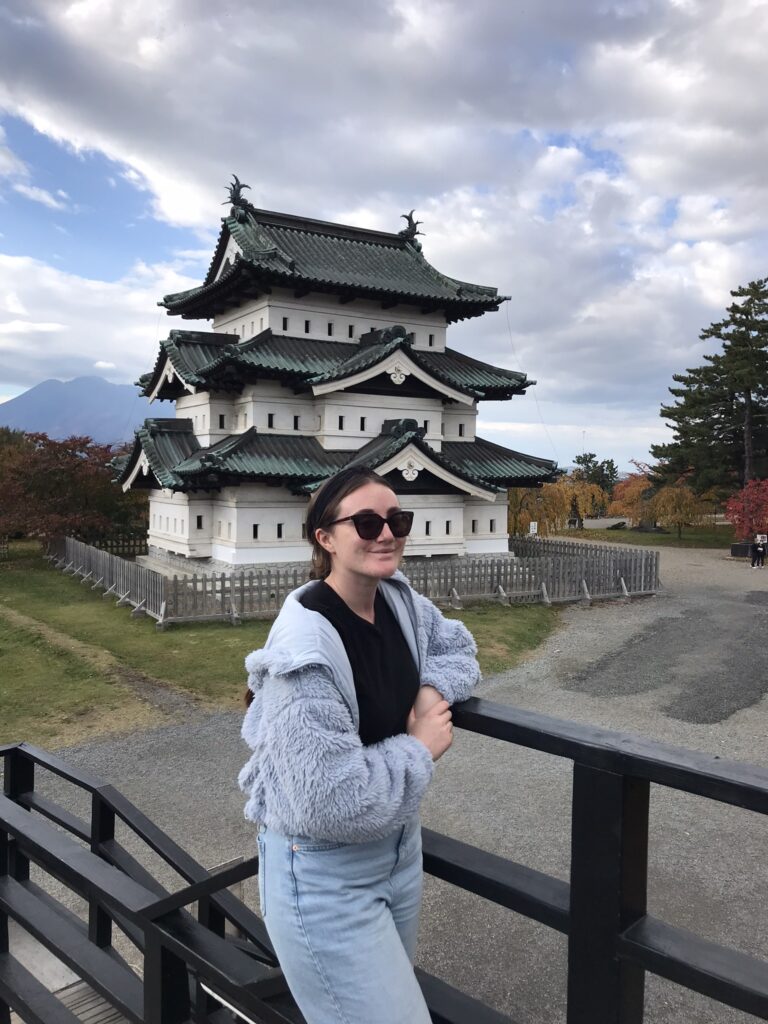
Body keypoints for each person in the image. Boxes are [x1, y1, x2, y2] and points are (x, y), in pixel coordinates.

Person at [238, 466, 481, 1024]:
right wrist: (419, 747)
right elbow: (332, 801)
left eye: (398, 519)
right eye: (367, 522)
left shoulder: (397, 602)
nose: (386, 533)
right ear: (325, 538)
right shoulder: (305, 655)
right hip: (323, 873)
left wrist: (429, 690)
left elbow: (457, 647)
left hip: (398, 853)